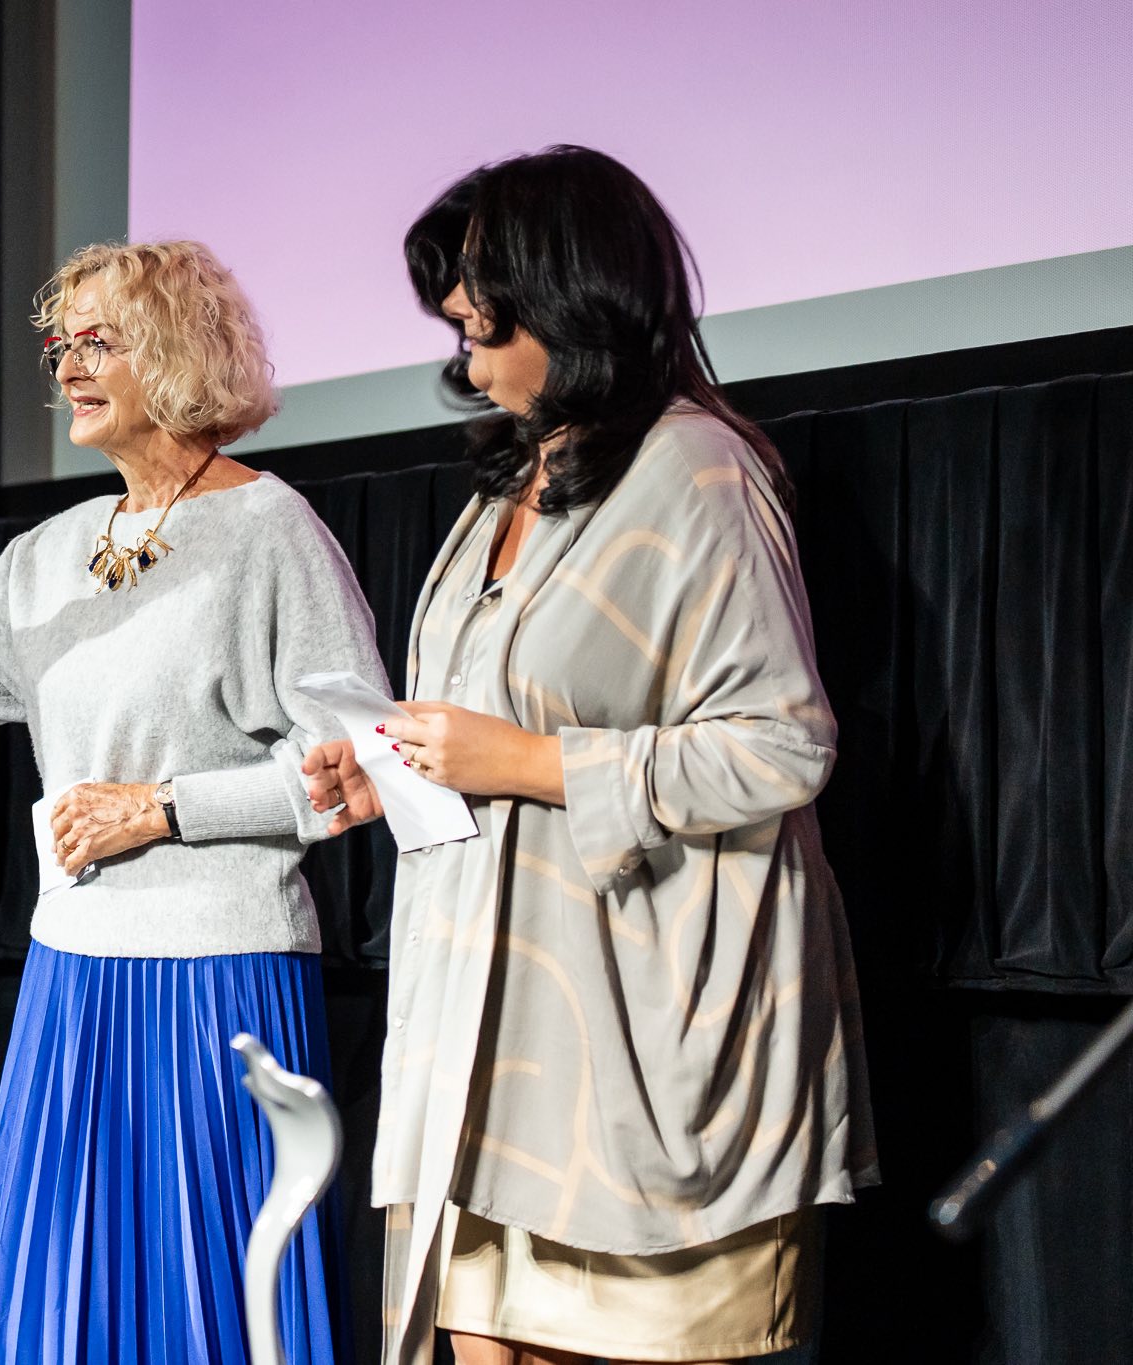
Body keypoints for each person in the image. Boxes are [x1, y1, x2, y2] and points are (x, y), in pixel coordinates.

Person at [302, 147, 879, 1365]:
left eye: (476, 319)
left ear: (563, 298)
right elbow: (481, 722)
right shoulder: (505, 483)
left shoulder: (697, 469)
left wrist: (528, 762)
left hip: (631, 1045)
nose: (460, 353)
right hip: (483, 1051)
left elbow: (780, 745)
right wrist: (392, 767)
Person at [0, 240, 380, 1365]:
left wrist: (164, 809)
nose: (68, 367)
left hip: (215, 976)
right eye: (59, 344)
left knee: (210, 1284)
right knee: (65, 1284)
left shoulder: (270, 533)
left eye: (99, 341)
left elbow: (353, 768)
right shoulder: (59, 548)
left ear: (179, 355)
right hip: (72, 976)